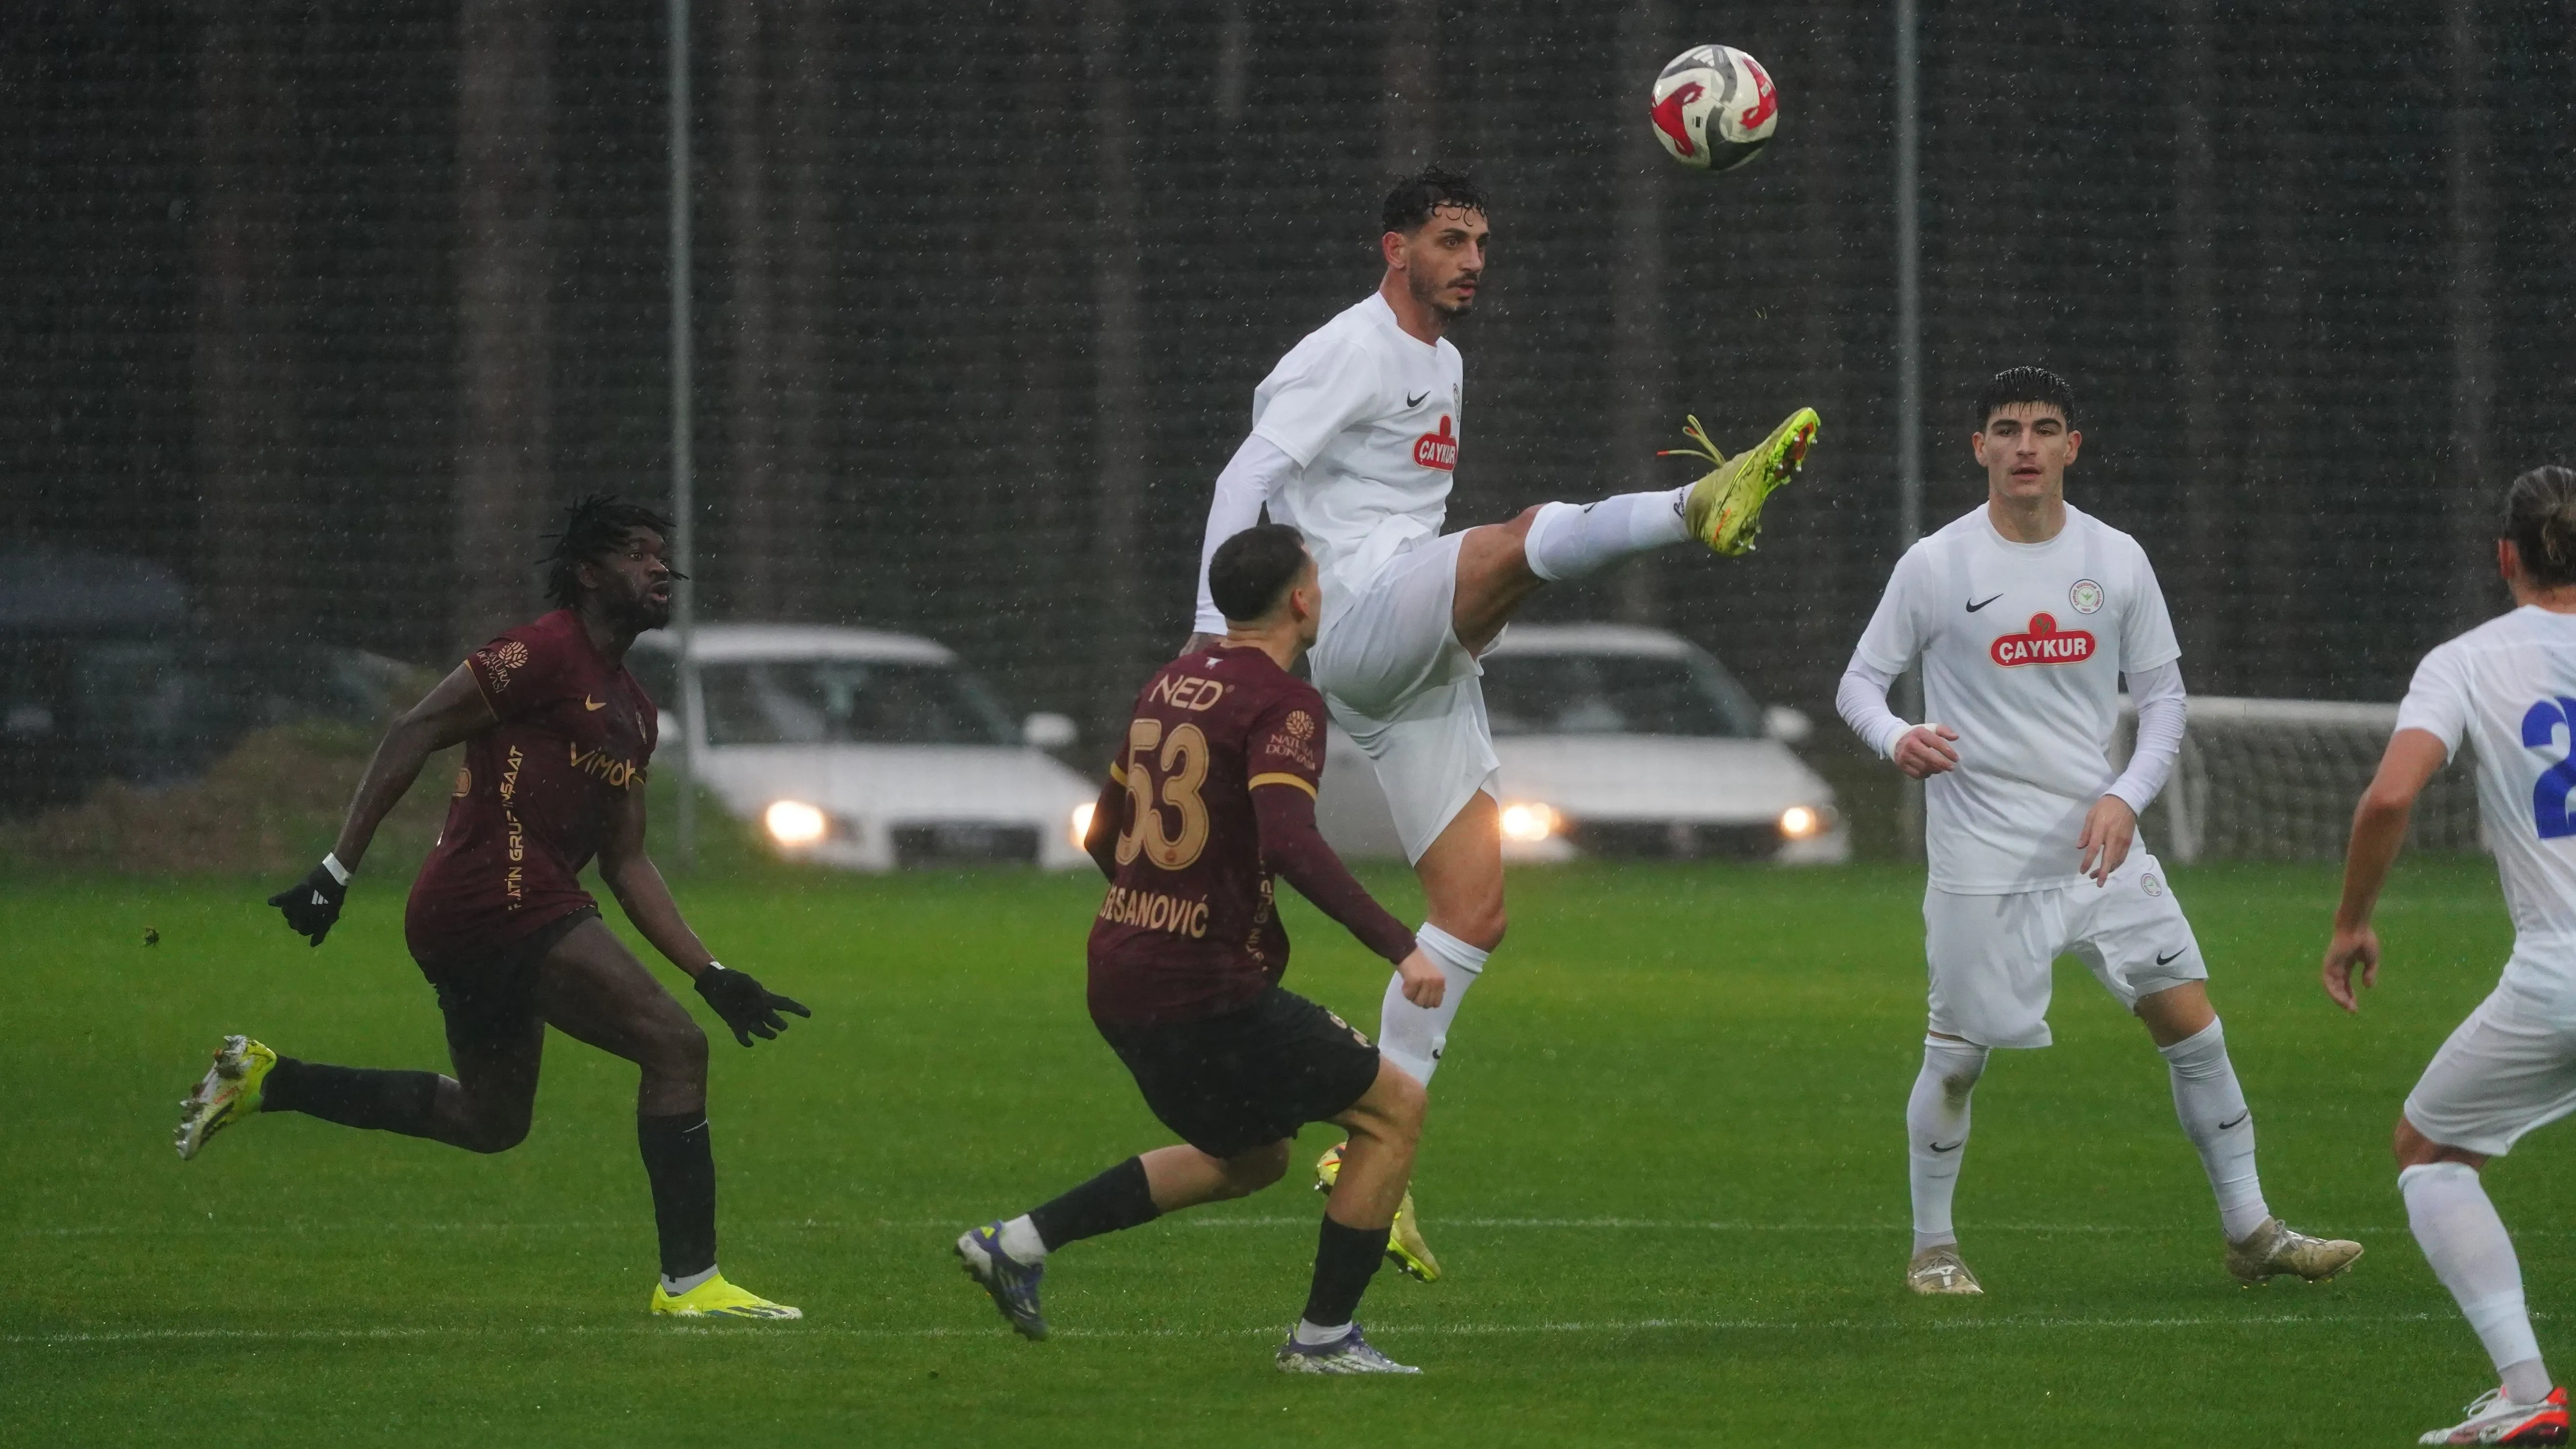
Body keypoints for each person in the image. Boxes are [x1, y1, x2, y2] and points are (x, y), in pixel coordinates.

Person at [1180, 164, 1819, 1273]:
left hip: (1415, 660)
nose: (1472, 260)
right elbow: (1248, 479)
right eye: (1449, 239)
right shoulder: (1347, 351)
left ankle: (1378, 1155)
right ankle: (1693, 505)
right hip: (1351, 608)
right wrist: (1213, 634)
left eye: (1481, 241)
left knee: (1472, 914)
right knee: (1521, 539)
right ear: (1396, 248)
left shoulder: (1448, 361)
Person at [172, 496, 809, 1320]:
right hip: (497, 897)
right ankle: (692, 1285)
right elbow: (415, 728)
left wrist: (713, 972)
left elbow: (626, 861)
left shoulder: (635, 712)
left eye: (664, 556)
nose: (660, 568)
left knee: (490, 1119)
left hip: (488, 914)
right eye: (638, 554)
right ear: (587, 573)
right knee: (675, 1050)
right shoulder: (539, 650)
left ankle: (268, 1078)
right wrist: (338, 865)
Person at [1837, 366, 2359, 1296]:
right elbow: (1858, 685)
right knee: (1956, 1059)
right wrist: (1895, 737)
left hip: (2100, 847)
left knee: (2193, 1026)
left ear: (2072, 446)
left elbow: (2163, 700)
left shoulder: (2116, 559)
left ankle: (2252, 1230)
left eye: (2044, 429)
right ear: (1980, 448)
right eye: (2007, 429)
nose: (2026, 446)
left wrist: (2126, 796)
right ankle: (1933, 1248)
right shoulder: (1936, 564)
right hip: (1982, 856)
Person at [958, 525, 1444, 1373]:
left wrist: (1164, 904)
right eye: (1317, 581)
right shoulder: (1283, 701)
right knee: (1393, 1110)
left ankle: (1019, 1243)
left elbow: (1104, 834)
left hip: (1120, 968)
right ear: (1300, 598)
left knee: (1252, 1157)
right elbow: (1291, 843)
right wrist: (1402, 947)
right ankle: (1324, 1340)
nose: (1322, 592)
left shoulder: (1170, 680)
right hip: (1203, 984)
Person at [2323, 465, 2576, 1446]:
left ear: (2505, 555)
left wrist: (2351, 922)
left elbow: (2390, 798)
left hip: (2560, 974)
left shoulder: (2467, 660)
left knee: (2429, 1153)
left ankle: (2528, 1391)